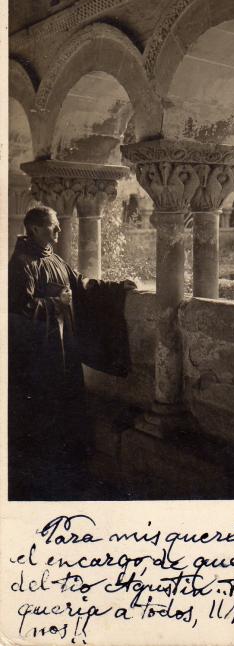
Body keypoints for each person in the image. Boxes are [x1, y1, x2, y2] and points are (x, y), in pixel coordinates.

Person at [8, 206, 136, 500]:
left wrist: (117, 288)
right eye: (53, 226)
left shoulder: (53, 257)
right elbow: (19, 307)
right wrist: (56, 303)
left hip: (64, 348)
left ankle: (68, 467)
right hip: (39, 353)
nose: (58, 230)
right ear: (35, 229)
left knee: (67, 402)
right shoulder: (23, 264)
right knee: (43, 408)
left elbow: (80, 284)